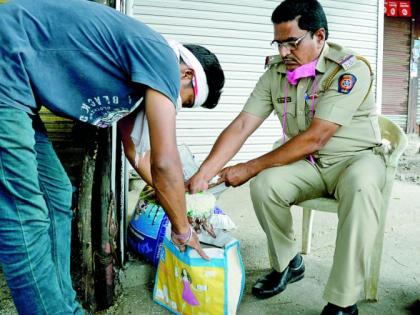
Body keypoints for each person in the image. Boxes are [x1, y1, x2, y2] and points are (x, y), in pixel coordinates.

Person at [0, 0, 224, 314]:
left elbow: (139, 155)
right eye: (183, 101)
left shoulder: (138, 84)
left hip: (17, 86)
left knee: (58, 193)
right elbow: (164, 162)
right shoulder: (159, 55)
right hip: (5, 60)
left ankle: (63, 302)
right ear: (186, 73)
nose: (175, 107)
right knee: (24, 211)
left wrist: (181, 204)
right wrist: (182, 228)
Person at [188, 0, 384, 314]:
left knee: (361, 187)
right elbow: (241, 125)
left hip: (355, 161)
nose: (283, 53)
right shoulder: (276, 73)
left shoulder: (349, 70)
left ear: (319, 36)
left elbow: (317, 136)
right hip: (310, 164)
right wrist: (204, 173)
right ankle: (289, 262)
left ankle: (343, 301)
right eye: (279, 44)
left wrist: (249, 166)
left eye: (292, 43)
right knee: (266, 184)